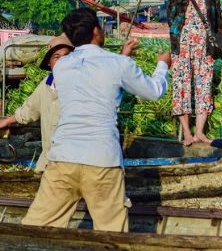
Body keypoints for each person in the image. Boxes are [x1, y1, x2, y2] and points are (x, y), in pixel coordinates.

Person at [21, 8, 170, 231]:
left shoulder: (62, 66)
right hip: (102, 159)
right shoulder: (119, 64)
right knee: (110, 233)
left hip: (63, 157)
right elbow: (153, 92)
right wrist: (162, 65)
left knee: (35, 228)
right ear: (96, 31)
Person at [0, 35, 137, 172]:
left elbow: (112, 83)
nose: (62, 61)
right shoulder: (46, 84)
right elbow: (30, 110)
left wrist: (124, 56)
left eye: (67, 56)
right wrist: (6, 121)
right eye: (56, 57)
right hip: (51, 160)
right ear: (50, 63)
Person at [166, 0, 222, 146]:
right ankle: (187, 133)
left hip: (204, 46)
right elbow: (171, 19)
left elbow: (217, 22)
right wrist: (176, 43)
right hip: (182, 46)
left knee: (204, 86)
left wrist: (218, 41)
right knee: (181, 86)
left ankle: (199, 132)